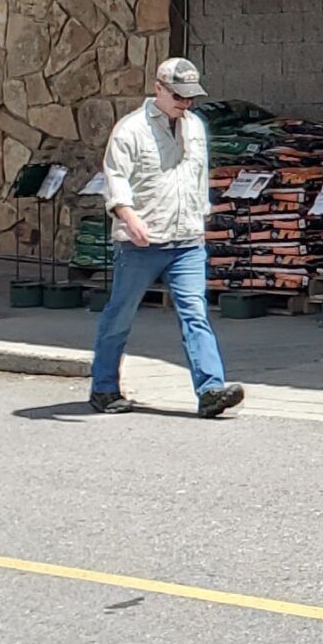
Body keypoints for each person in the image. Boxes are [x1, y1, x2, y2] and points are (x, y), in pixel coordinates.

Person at [88, 58, 244, 419]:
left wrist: (201, 215)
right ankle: (103, 387)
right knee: (121, 314)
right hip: (140, 242)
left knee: (195, 313)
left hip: (187, 239)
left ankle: (210, 390)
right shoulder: (130, 130)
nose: (185, 103)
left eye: (191, 97)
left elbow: (198, 174)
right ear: (158, 87)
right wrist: (129, 218)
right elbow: (115, 179)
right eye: (178, 95)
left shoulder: (195, 127)